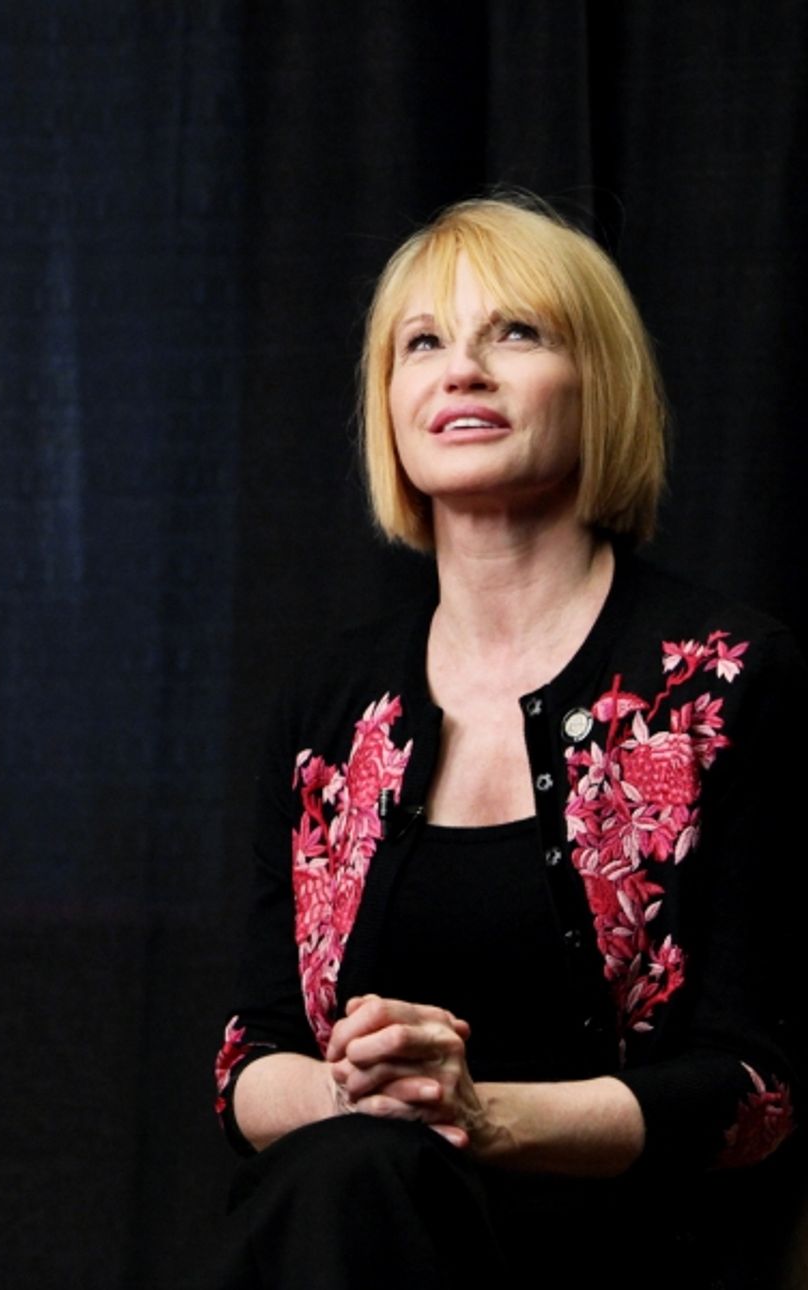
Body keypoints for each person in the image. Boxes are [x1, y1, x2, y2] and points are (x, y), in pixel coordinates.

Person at [212, 196, 804, 1288]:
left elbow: (757, 1091)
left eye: (516, 333)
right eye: (423, 343)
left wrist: (479, 1114)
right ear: (389, 403)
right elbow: (251, 1059)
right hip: (354, 1226)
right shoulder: (328, 707)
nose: (463, 372)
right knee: (352, 1174)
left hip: (627, 1249)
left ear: (599, 383)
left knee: (355, 1180)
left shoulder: (729, 681)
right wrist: (365, 1092)